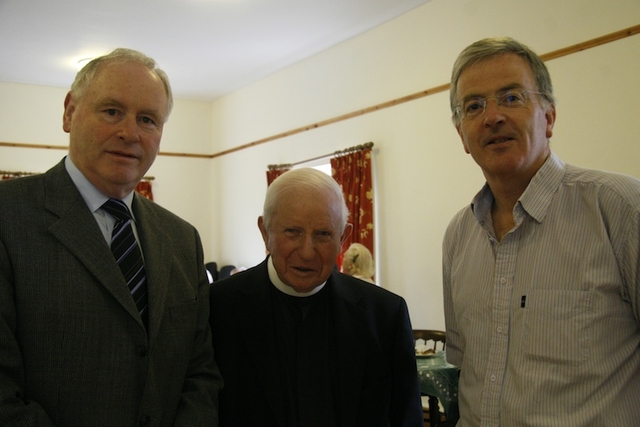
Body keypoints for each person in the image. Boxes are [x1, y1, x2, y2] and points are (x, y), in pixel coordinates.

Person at [0, 48, 223, 426]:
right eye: (112, 111)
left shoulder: (182, 239)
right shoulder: (9, 217)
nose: (130, 133)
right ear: (70, 112)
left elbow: (199, 374)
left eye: (148, 119)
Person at [443, 37, 640, 426]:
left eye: (511, 97)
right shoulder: (458, 237)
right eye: (474, 106)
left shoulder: (620, 209)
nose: (492, 116)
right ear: (463, 136)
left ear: (548, 117)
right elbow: (467, 367)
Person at [209, 168, 423, 426]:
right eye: (292, 232)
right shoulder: (217, 308)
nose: (308, 252)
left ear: (343, 238)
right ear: (265, 232)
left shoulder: (385, 314)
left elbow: (405, 418)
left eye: (323, 234)